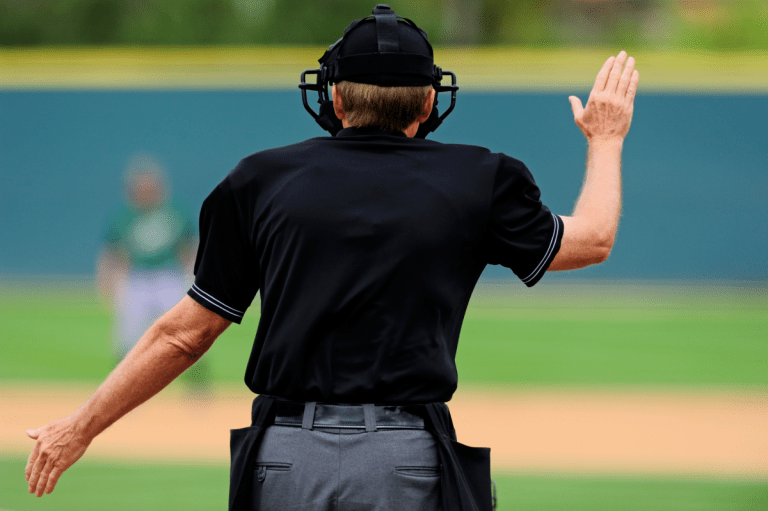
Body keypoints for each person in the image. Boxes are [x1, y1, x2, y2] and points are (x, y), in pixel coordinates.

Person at [25, 5, 639, 510]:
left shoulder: (259, 180)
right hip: (405, 458)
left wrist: (78, 428)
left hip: (286, 457)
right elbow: (592, 240)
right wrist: (607, 138)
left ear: (336, 99)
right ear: (429, 102)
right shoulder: (481, 178)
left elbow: (184, 335)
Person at [95, 155, 209, 391]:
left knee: (186, 332)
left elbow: (189, 248)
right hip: (137, 279)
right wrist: (107, 281)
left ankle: (197, 385)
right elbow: (113, 252)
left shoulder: (175, 211)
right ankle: (119, 389)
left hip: (168, 277)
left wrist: (195, 277)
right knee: (127, 335)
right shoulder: (124, 215)